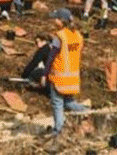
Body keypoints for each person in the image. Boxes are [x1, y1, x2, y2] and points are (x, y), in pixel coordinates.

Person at [42, 8, 87, 136]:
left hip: (59, 78)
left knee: (57, 104)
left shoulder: (59, 36)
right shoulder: (77, 35)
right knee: (69, 102)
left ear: (61, 21)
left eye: (56, 18)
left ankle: (58, 130)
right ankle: (87, 111)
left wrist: (45, 74)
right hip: (72, 78)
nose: (54, 20)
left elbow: (51, 57)